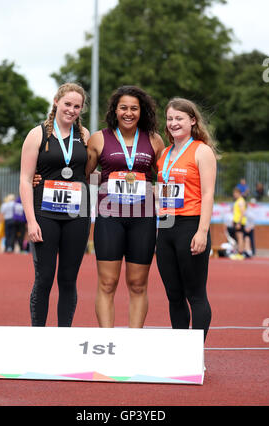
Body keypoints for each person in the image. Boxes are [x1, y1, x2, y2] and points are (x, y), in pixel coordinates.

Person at [86, 85, 165, 328]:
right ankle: (108, 341)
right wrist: (41, 178)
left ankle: (134, 341)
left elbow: (165, 176)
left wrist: (159, 193)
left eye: (134, 108)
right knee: (107, 283)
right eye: (123, 108)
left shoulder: (154, 140)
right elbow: (83, 174)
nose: (128, 113)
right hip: (110, 217)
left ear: (142, 112)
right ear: (115, 110)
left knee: (138, 284)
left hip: (143, 218)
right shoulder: (99, 138)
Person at [20, 82, 91, 327]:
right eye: (67, 104)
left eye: (77, 106)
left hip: (77, 216)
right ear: (56, 102)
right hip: (45, 215)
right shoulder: (37, 134)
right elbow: (25, 179)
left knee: (69, 279)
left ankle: (64, 336)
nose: (71, 110)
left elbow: (88, 174)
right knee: (44, 278)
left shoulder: (84, 135)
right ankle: (38, 334)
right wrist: (31, 220)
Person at [156, 97, 217, 343]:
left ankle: (195, 353)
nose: (173, 123)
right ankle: (181, 353)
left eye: (179, 118)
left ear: (192, 120)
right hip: (166, 228)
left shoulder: (202, 151)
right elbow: (162, 189)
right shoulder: (165, 153)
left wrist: (202, 231)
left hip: (191, 227)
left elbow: (208, 193)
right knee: (174, 295)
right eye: (170, 119)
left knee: (196, 295)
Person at [230, 187, 247, 260]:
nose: (234, 195)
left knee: (240, 238)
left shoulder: (241, 201)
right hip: (236, 221)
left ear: (238, 193)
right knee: (238, 237)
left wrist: (239, 223)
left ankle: (240, 253)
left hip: (239, 222)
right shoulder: (237, 201)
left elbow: (243, 212)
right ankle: (239, 252)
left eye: (235, 193)